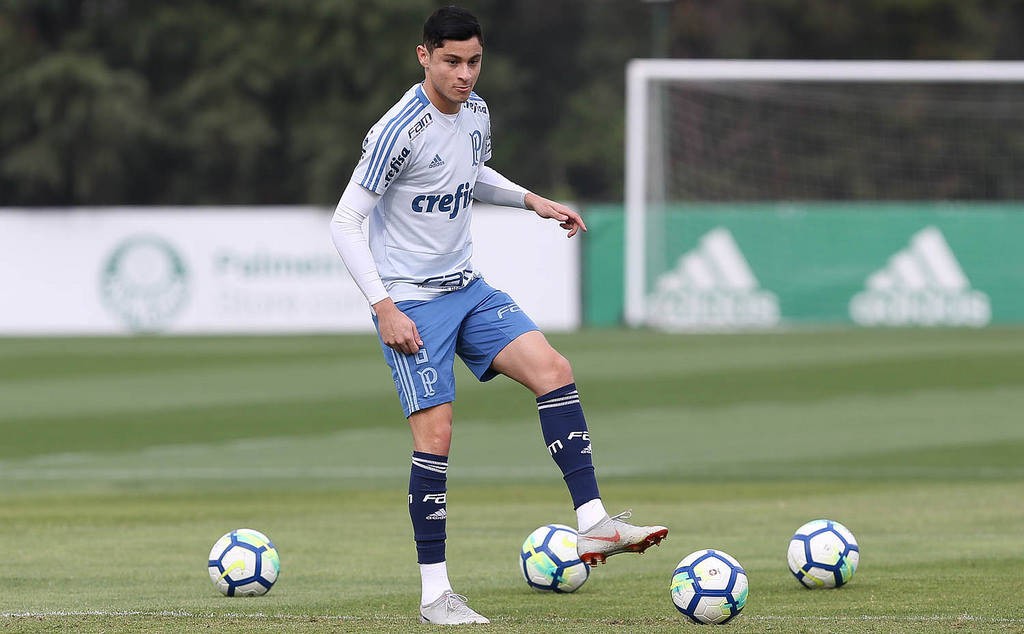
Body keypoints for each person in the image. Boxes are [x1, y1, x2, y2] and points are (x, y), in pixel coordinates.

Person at [330, 6, 667, 625]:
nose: (465, 74)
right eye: (452, 61)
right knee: (436, 439)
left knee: (554, 370)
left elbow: (473, 173)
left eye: (474, 61)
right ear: (424, 56)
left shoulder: (477, 113)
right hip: (412, 301)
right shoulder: (396, 130)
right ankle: (436, 596)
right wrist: (384, 306)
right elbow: (346, 221)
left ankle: (593, 522)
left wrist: (532, 200)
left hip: (468, 287)